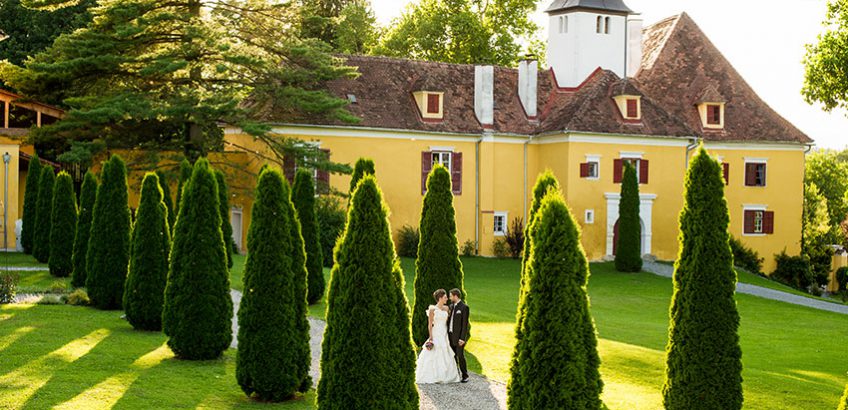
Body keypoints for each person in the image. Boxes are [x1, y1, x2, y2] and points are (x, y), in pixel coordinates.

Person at [415, 289, 462, 384]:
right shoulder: (432, 309)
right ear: (440, 298)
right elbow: (430, 324)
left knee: (446, 350)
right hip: (436, 332)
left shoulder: (447, 308)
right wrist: (431, 336)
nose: (446, 299)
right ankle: (433, 375)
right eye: (445, 297)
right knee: (435, 351)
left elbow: (450, 321)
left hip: (444, 332)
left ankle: (447, 375)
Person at [448, 288, 470, 383]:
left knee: (460, 356)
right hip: (450, 335)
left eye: (450, 296)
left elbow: (465, 325)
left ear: (455, 296)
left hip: (459, 337)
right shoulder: (451, 306)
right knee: (452, 356)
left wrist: (462, 338)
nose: (449, 298)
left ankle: (465, 375)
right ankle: (455, 374)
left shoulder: (464, 307)